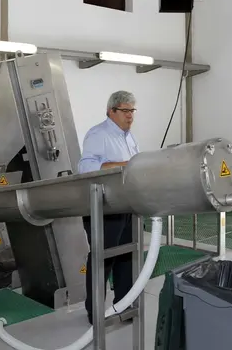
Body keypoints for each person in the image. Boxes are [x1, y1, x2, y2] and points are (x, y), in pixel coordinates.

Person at [78, 90, 140, 325]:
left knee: (126, 257)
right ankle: (95, 312)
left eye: (132, 111)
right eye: (125, 111)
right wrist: (126, 165)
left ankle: (123, 305)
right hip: (103, 208)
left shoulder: (129, 137)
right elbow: (87, 168)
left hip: (126, 205)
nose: (130, 116)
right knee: (102, 260)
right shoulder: (98, 134)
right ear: (110, 111)